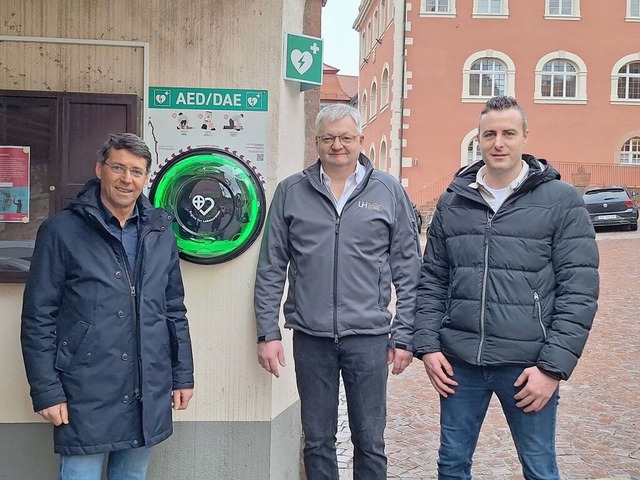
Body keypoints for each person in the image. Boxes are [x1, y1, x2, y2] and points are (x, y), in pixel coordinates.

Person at [414, 95, 599, 479]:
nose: (499, 142)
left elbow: (578, 292)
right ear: (478, 140)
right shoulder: (454, 201)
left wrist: (552, 369)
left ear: (525, 137)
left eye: (508, 133)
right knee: (451, 466)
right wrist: (429, 346)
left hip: (527, 364)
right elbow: (433, 279)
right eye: (490, 134)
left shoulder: (562, 201)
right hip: (460, 362)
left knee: (539, 468)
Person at [254, 103, 421, 480]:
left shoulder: (387, 190)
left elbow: (409, 270)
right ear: (316, 142)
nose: (337, 145)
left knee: (370, 441)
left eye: (346, 137)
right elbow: (271, 268)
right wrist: (268, 331)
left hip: (369, 337)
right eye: (329, 138)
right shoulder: (291, 191)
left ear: (360, 140)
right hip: (311, 337)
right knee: (316, 440)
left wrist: (405, 333)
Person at [21, 133, 195, 480]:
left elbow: (173, 308)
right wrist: (46, 390)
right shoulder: (61, 231)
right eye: (118, 167)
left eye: (136, 171)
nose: (126, 179)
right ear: (100, 168)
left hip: (148, 384)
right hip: (84, 388)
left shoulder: (160, 231)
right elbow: (38, 317)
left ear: (146, 177)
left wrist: (182, 374)